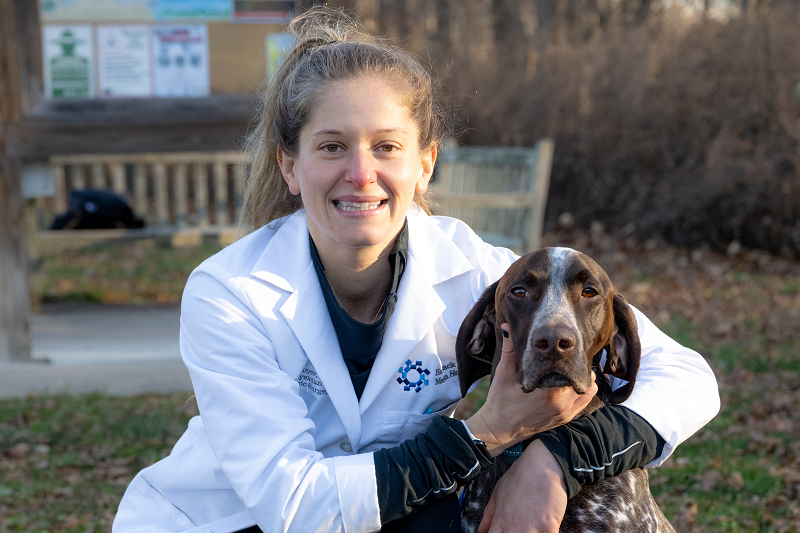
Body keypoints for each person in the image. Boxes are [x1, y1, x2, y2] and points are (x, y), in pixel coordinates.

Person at [113, 7, 719, 533]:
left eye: (386, 146)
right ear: (290, 167)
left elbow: (687, 377)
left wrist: (558, 458)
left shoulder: (481, 273)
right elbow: (295, 507)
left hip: (387, 514)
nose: (360, 173)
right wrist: (491, 429)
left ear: (425, 163)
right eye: (331, 147)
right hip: (231, 521)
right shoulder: (228, 291)